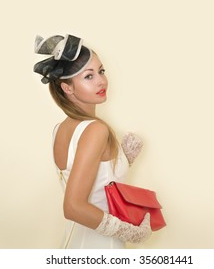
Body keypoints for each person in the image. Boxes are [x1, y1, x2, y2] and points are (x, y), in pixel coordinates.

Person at [33, 34, 151, 248]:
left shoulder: (59, 129)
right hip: (101, 246)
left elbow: (91, 179)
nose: (101, 80)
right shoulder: (96, 129)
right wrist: (131, 232)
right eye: (88, 76)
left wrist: (121, 157)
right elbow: (73, 207)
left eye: (101, 71)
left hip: (72, 242)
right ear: (67, 88)